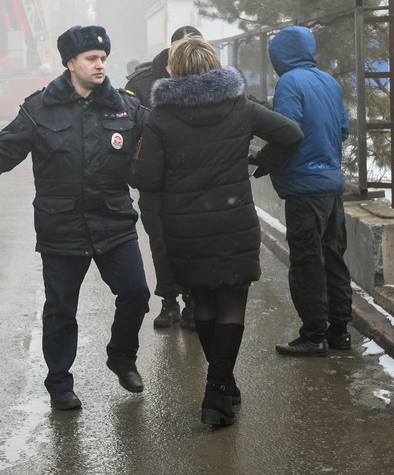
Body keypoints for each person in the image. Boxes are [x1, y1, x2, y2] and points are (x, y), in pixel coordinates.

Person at [0, 25, 151, 410]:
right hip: (61, 226)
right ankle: (60, 382)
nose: (100, 65)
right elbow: (0, 153)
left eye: (103, 59)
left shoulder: (126, 108)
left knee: (136, 293)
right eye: (92, 59)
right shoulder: (39, 109)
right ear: (70, 63)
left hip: (113, 222)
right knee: (61, 309)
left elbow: (163, 144)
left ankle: (122, 356)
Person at [129, 35, 303, 426]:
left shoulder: (161, 116)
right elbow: (291, 134)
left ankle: (222, 386)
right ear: (214, 65)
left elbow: (148, 178)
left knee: (203, 303)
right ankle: (217, 389)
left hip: (184, 227)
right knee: (231, 304)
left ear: (173, 69)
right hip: (232, 222)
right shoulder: (239, 106)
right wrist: (260, 162)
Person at [267, 26, 353, 358]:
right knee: (334, 258)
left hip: (304, 189)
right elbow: (343, 128)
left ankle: (313, 334)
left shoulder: (289, 82)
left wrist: (263, 161)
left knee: (306, 262)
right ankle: (339, 331)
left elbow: (286, 133)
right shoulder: (329, 82)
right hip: (332, 188)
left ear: (280, 54)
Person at [125, 25, 202, 329]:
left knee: (192, 244)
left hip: (192, 181)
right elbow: (126, 129)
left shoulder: (205, 79)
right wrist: (135, 170)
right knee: (160, 241)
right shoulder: (141, 84)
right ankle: (168, 301)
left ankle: (193, 300)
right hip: (154, 181)